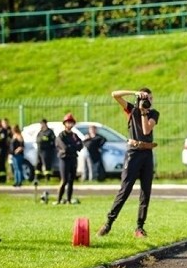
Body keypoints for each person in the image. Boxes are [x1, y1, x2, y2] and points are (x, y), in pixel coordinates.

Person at [98, 88, 159, 238]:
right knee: (125, 190)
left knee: (146, 191)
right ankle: (108, 223)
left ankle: (139, 228)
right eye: (145, 98)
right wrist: (134, 93)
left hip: (147, 153)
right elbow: (114, 94)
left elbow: (146, 131)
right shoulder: (131, 110)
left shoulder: (153, 113)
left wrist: (144, 112)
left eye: (150, 98)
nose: (148, 100)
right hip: (133, 153)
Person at [55, 113, 83, 205]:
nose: (69, 124)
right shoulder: (61, 135)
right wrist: (73, 147)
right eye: (68, 122)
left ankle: (69, 200)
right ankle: (58, 200)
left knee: (71, 180)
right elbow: (64, 148)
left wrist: (72, 147)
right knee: (64, 180)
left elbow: (80, 145)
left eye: (71, 122)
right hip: (64, 159)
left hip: (73, 159)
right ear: (64, 123)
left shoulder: (74, 135)